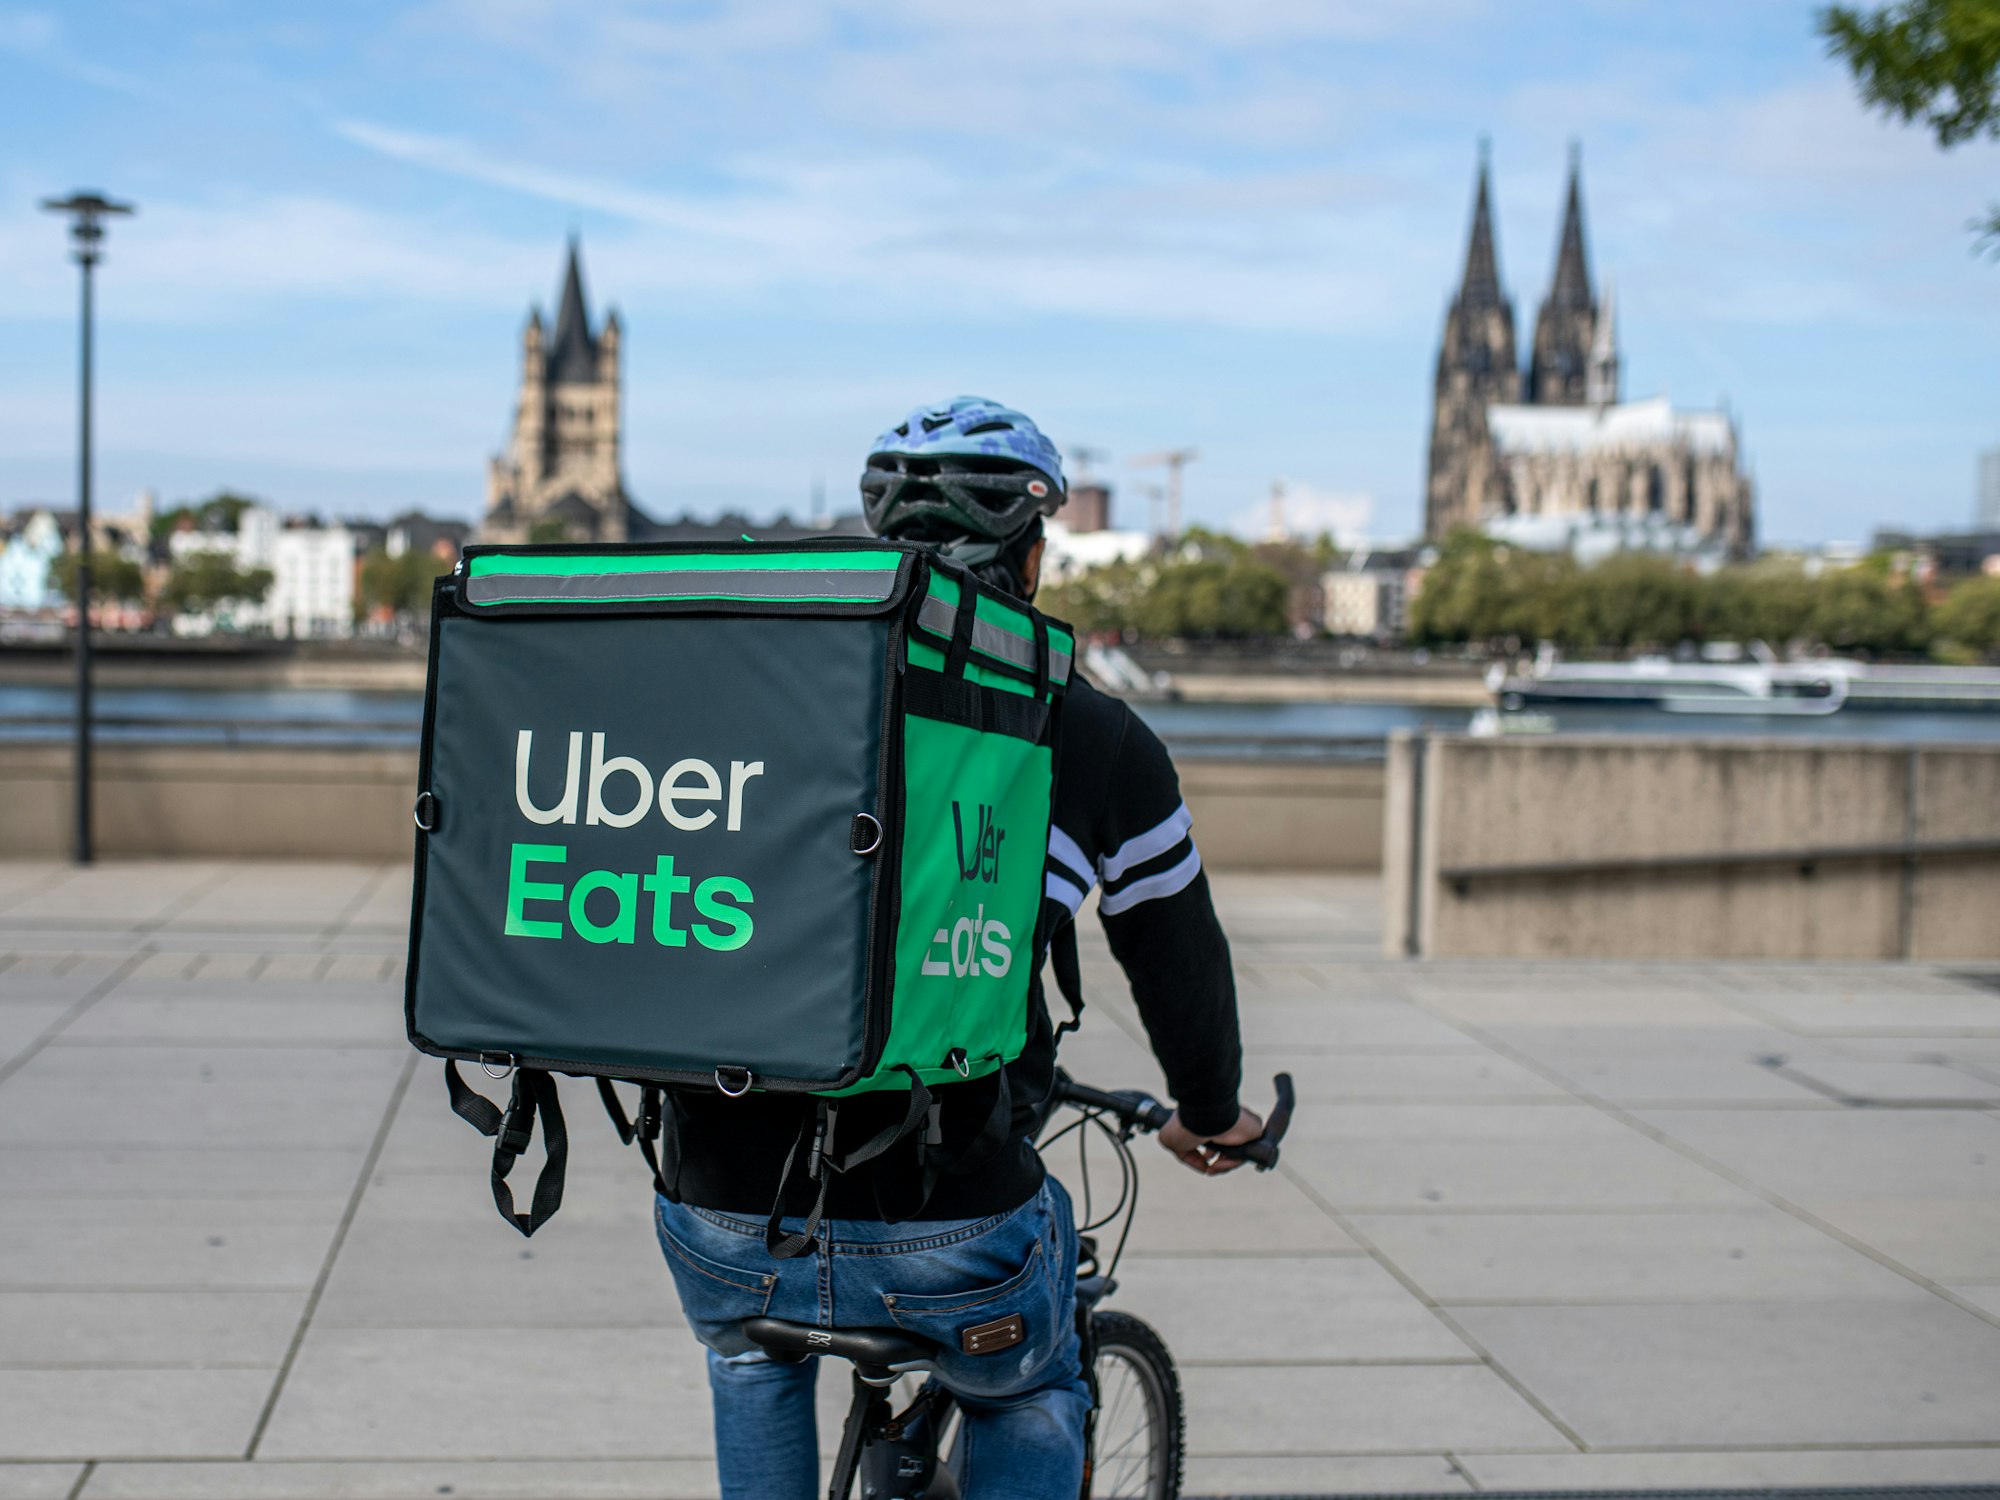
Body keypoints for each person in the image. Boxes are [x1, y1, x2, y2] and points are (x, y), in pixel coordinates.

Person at [653, 396, 1259, 1500]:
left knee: (748, 1352)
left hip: (718, 1201)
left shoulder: (757, 701)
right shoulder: (1090, 732)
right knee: (1026, 1383)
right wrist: (1210, 1112)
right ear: (1028, 556)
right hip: (946, 1218)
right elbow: (1176, 958)